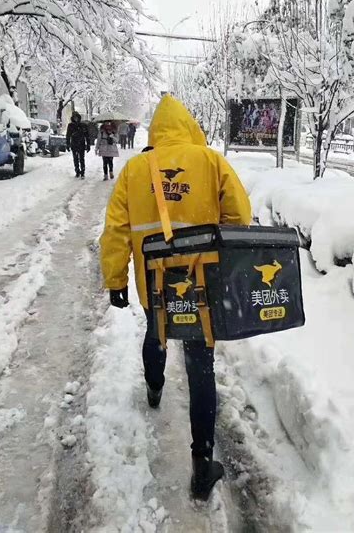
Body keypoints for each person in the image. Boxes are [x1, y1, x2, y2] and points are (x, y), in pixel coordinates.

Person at [100, 94, 251, 501]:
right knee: (201, 363)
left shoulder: (133, 169)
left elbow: (116, 229)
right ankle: (202, 464)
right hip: (202, 284)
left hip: (154, 284)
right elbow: (240, 218)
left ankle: (154, 386)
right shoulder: (211, 161)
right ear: (188, 126)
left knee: (157, 331)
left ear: (155, 132)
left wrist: (116, 279)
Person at [66, 112, 90, 178]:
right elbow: (68, 135)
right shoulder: (70, 125)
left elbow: (87, 136)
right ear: (73, 118)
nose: (76, 119)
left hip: (81, 144)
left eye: (77, 117)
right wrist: (67, 144)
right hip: (74, 144)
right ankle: (77, 171)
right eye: (74, 117)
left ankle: (82, 172)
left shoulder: (83, 125)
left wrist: (88, 145)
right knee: (75, 158)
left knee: (81, 158)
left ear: (79, 117)